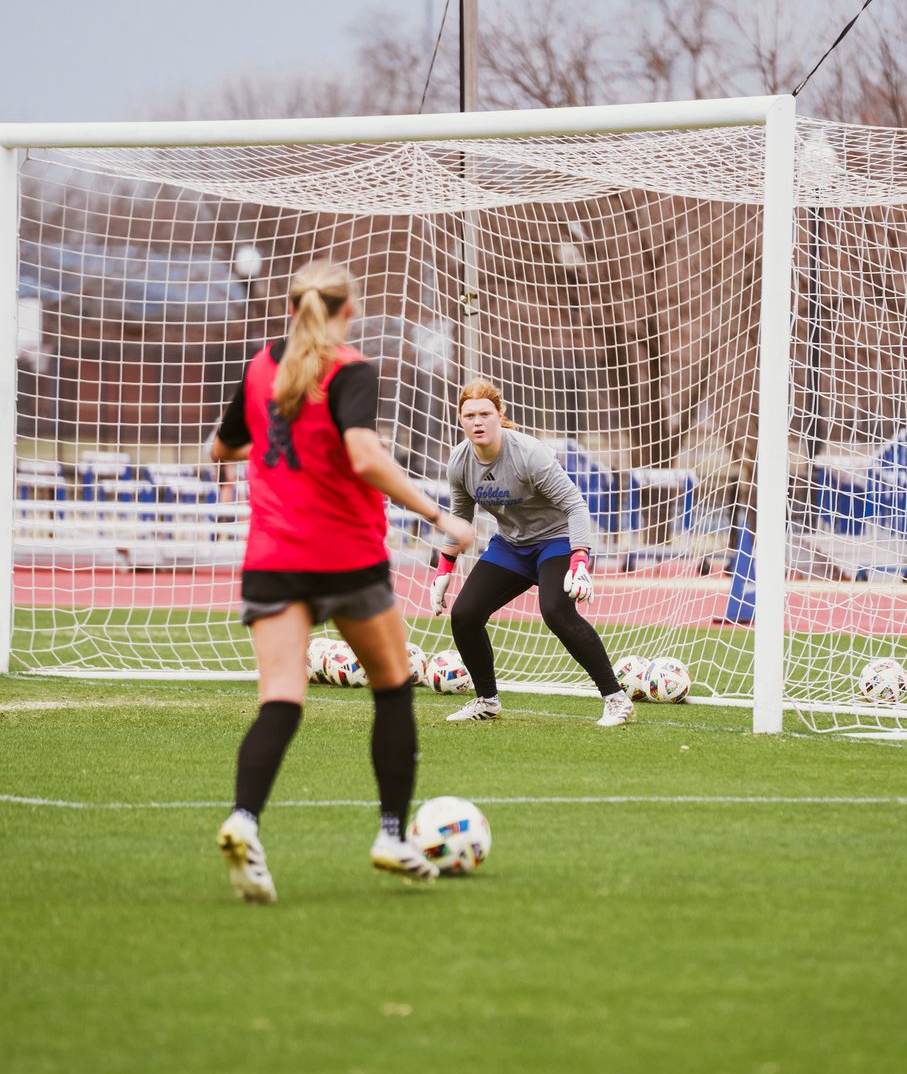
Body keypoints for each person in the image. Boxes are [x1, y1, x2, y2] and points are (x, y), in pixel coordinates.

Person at [210, 259, 474, 903]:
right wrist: (440, 515)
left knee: (281, 696)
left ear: (293, 306)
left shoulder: (259, 367)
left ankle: (244, 821)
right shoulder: (350, 369)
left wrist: (287, 447)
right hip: (344, 556)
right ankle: (391, 833)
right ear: (346, 310)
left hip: (272, 557)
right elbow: (360, 453)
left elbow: (223, 448)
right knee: (392, 685)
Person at [430, 378, 635, 728]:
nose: (477, 422)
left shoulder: (530, 453)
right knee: (465, 614)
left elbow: (576, 506)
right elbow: (461, 518)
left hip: (556, 541)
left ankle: (616, 698)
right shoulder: (459, 462)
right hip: (511, 545)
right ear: (460, 420)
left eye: (484, 413)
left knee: (556, 610)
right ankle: (487, 701)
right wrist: (444, 568)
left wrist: (580, 561)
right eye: (469, 415)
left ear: (500, 415)